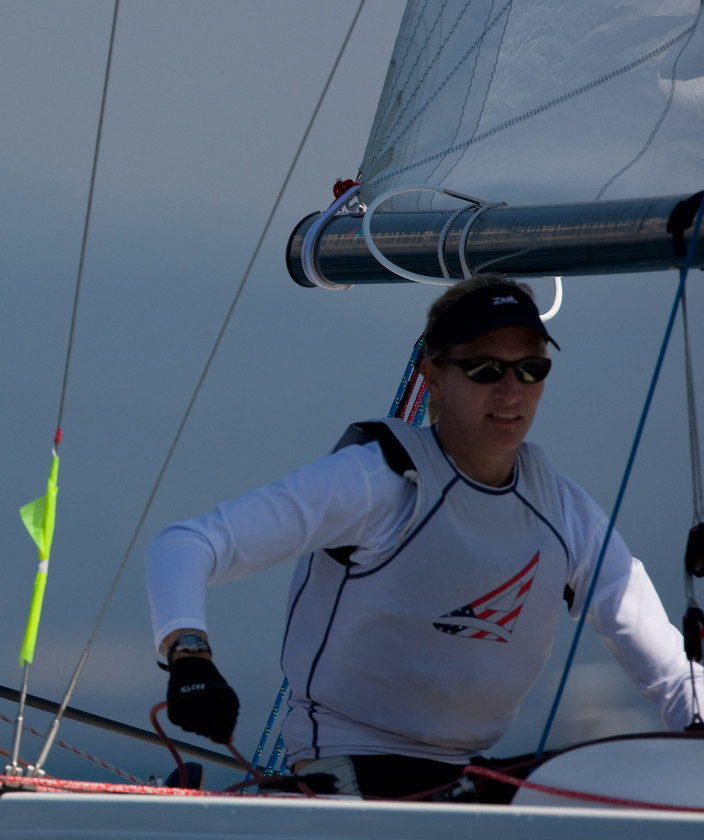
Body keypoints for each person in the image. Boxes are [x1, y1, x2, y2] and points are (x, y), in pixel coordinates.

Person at [145, 275, 704, 799]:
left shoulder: (565, 513)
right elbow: (185, 545)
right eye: (485, 369)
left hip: (469, 781)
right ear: (432, 376)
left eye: (531, 369)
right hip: (346, 772)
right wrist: (190, 659)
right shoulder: (376, 481)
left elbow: (677, 678)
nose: (512, 391)